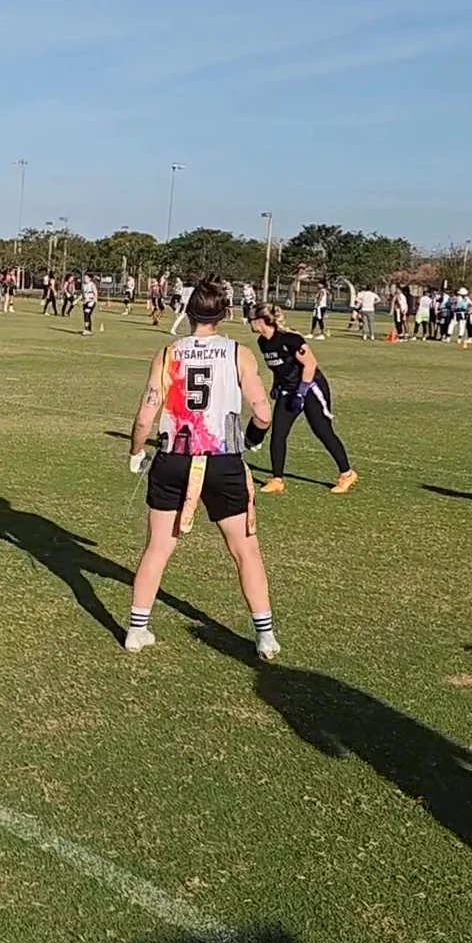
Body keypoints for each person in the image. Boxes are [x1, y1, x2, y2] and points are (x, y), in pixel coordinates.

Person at [124, 277, 279, 658]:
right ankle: (265, 635)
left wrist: (136, 452)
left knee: (157, 548)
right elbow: (263, 413)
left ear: (189, 313)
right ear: (224, 314)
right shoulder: (238, 353)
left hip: (174, 457)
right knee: (245, 550)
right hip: (222, 459)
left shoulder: (168, 353)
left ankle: (136, 629)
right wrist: (251, 440)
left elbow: (145, 415)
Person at [248, 307, 357, 495]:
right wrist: (277, 385)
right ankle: (277, 479)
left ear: (260, 320)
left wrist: (302, 392)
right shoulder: (263, 342)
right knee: (278, 433)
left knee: (322, 430)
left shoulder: (290, 339)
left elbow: (310, 364)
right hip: (287, 390)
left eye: (251, 319)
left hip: (310, 387)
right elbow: (278, 368)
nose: (249, 322)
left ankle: (347, 473)